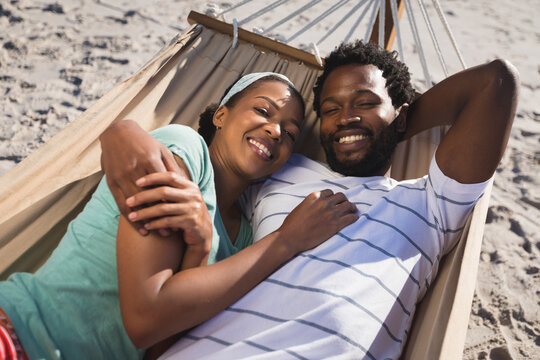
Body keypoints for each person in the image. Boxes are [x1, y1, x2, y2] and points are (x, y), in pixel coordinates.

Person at [100, 41, 519, 359]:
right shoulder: (280, 169)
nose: (346, 117)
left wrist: (390, 126)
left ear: (404, 115)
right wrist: (121, 131)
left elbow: (494, 83)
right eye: (330, 109)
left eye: (365, 103)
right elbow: (220, 155)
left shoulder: (430, 204)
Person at [0, 72, 358, 360]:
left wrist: (200, 247)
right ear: (221, 115)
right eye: (263, 111)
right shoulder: (184, 148)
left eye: (290, 133)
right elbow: (145, 318)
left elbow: (161, 348)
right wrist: (286, 240)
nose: (275, 130)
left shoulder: (245, 239)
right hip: (21, 332)